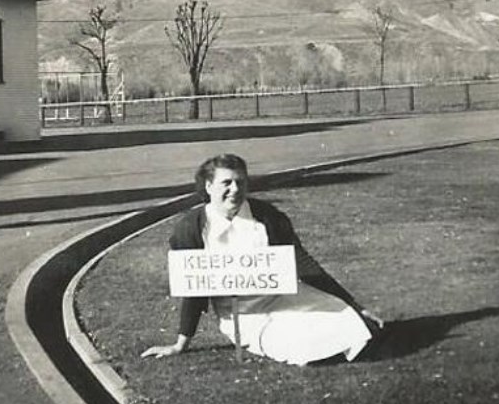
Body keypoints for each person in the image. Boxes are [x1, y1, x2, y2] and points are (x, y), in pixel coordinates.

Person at [141, 153, 383, 366]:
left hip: (282, 298)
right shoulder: (190, 228)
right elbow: (195, 289)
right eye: (226, 182)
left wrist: (354, 304)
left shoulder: (267, 216)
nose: (235, 190)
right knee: (298, 343)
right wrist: (180, 344)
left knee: (345, 320)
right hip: (241, 314)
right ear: (208, 186)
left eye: (240, 182)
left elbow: (302, 263)